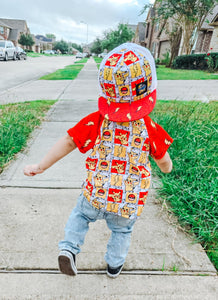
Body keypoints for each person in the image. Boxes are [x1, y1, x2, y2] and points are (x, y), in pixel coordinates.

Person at [23, 43, 173, 278]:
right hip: (127, 201)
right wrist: (167, 168)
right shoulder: (150, 128)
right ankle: (114, 266)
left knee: (80, 215)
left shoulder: (97, 121)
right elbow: (164, 161)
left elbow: (69, 141)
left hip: (96, 192)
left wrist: (41, 166)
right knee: (122, 232)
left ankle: (69, 249)